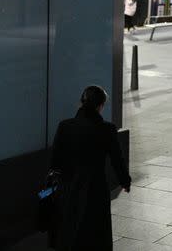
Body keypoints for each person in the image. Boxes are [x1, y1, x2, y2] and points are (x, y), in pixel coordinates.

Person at [49, 86, 131, 251]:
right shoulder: (107, 129)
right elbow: (117, 159)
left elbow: (55, 160)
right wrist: (124, 181)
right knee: (96, 229)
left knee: (70, 225)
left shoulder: (65, 126)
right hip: (95, 186)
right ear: (100, 106)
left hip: (69, 185)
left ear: (81, 102)